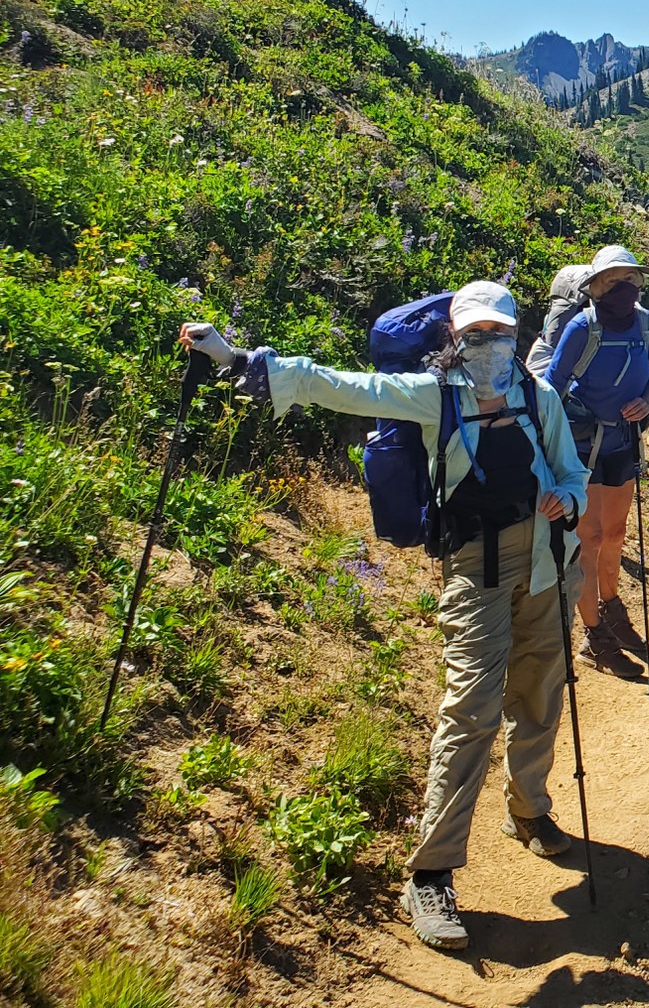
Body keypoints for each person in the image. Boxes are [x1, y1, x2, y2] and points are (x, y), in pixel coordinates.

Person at [176, 283, 588, 954]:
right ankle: (430, 872)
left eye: (500, 334)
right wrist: (238, 361)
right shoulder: (434, 394)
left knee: (540, 691)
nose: (490, 346)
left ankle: (528, 810)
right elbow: (344, 387)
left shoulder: (538, 397)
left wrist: (567, 502)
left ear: (516, 335)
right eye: (477, 335)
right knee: (472, 710)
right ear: (456, 339)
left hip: (546, 560)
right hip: (475, 569)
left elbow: (571, 473)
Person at [541, 244, 649, 675]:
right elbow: (552, 386)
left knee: (613, 534)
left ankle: (611, 608)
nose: (624, 288)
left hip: (622, 443)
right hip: (582, 446)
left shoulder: (648, 325)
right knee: (589, 541)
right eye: (614, 282)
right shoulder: (581, 328)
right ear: (595, 288)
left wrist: (645, 403)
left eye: (630, 280)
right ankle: (593, 635)